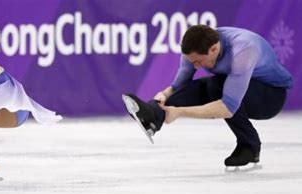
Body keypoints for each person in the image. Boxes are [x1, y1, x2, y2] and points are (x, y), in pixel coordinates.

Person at [123, 25, 292, 168]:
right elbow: (180, 85)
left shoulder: (244, 50)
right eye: (191, 61)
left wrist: (179, 112)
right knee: (208, 86)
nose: (195, 65)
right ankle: (153, 115)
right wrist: (163, 96)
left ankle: (250, 146)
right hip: (240, 88)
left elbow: (228, 107)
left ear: (214, 49)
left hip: (270, 97)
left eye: (198, 61)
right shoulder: (194, 50)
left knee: (216, 86)